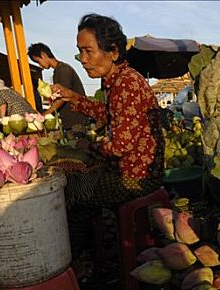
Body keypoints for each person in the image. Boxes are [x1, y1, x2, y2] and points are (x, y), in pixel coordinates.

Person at [52, 13, 164, 208]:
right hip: (123, 169)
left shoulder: (126, 83)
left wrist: (88, 147)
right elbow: (110, 113)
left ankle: (97, 238)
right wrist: (72, 96)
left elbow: (121, 147)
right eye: (80, 52)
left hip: (137, 177)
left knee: (73, 196)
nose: (83, 60)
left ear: (113, 52)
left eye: (88, 51)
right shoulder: (113, 80)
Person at [27, 42, 88, 129]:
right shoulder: (57, 71)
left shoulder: (63, 69)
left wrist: (44, 115)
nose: (40, 65)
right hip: (70, 120)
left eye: (38, 61)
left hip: (76, 120)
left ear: (43, 55)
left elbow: (63, 97)